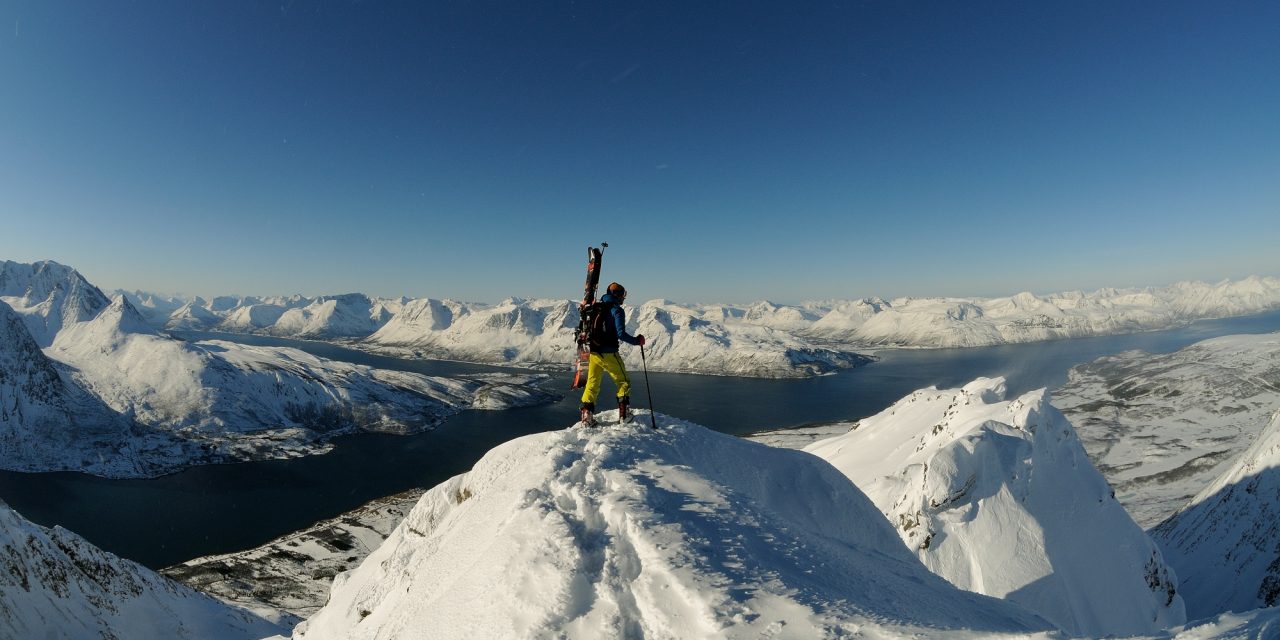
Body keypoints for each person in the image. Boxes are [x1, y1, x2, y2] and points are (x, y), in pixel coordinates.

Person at [581, 282, 645, 425]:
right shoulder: (616, 310)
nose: (623, 298)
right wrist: (637, 341)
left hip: (594, 353)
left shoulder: (595, 307)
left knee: (592, 384)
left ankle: (586, 418)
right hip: (609, 353)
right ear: (617, 295)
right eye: (623, 295)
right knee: (623, 382)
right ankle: (624, 415)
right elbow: (621, 334)